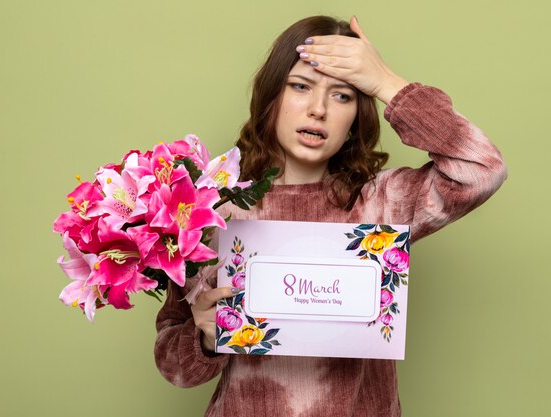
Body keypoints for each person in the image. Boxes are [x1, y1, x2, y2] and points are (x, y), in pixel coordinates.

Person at [154, 15, 507, 417]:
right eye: (301, 87)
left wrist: (386, 82)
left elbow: (482, 170)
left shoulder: (380, 204)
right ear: (272, 97)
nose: (318, 109)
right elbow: (173, 367)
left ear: (358, 114)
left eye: (342, 95)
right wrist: (204, 337)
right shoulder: (214, 212)